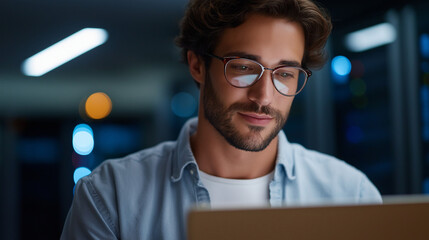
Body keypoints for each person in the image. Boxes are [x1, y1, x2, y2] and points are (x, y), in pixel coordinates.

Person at [61, 0, 382, 239]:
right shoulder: (111, 196)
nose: (264, 97)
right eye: (243, 67)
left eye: (285, 74)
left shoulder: (351, 195)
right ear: (198, 65)